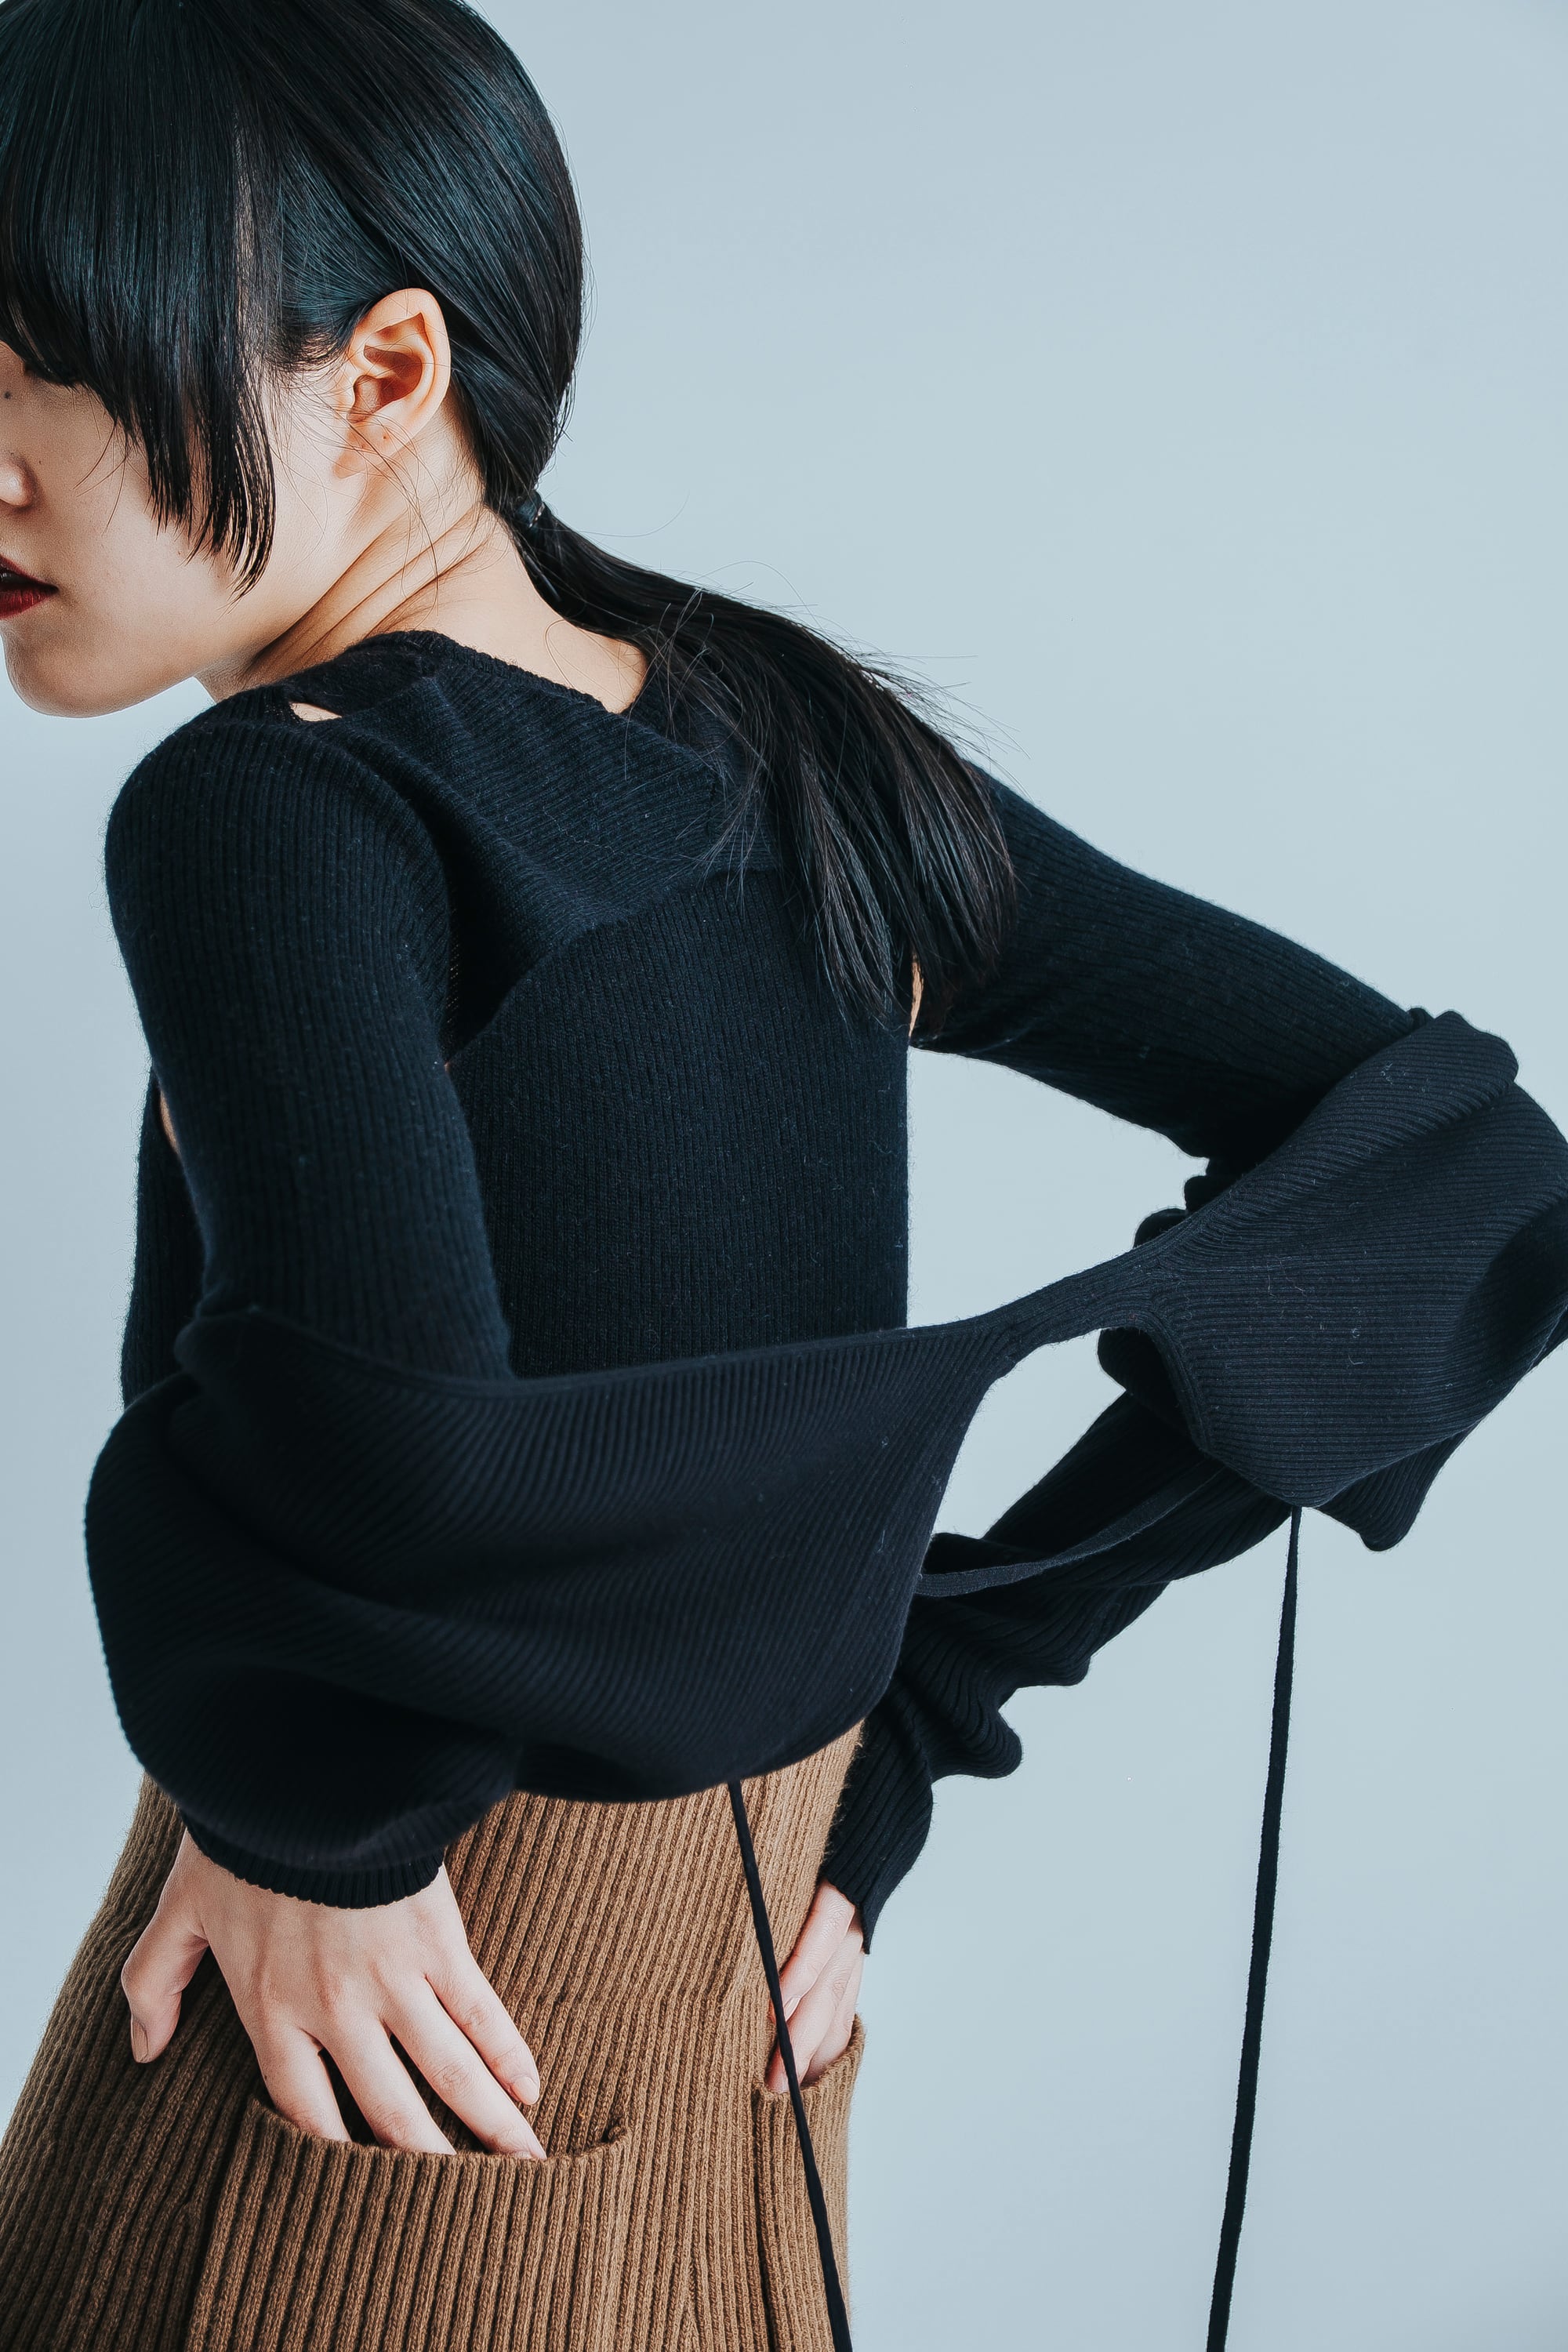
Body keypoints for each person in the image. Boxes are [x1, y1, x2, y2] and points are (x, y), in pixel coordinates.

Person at [2, 5, 1560, 2349]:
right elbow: (1463, 1184)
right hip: (741, 2043)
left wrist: (312, 1813)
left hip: (372, 2052)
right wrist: (908, 1714)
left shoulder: (280, 808)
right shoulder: (789, 756)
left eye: (44, 364)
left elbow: (381, 1445)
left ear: (386, 373)